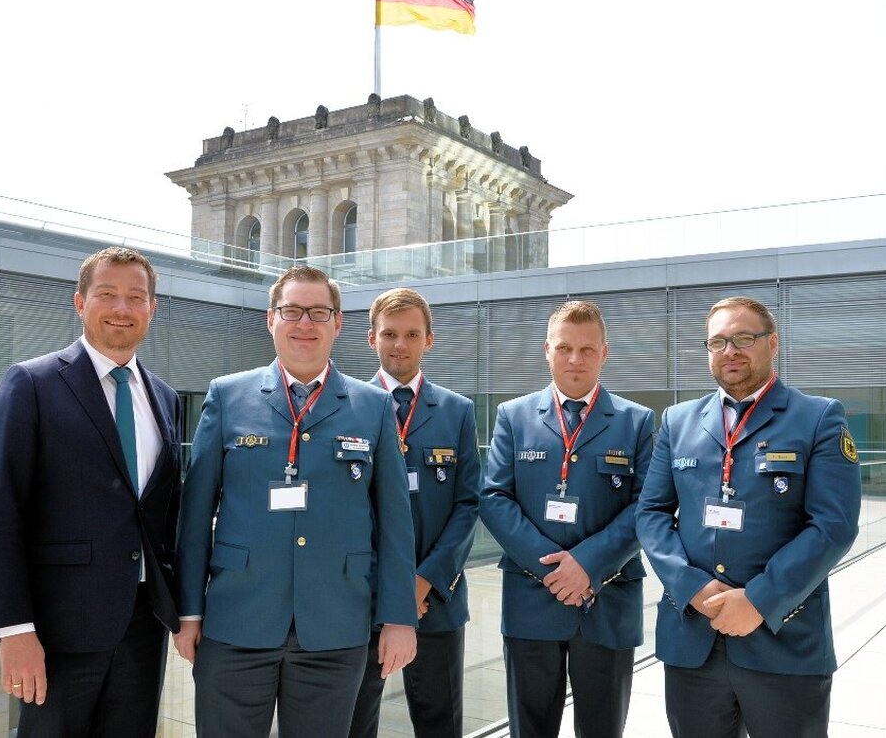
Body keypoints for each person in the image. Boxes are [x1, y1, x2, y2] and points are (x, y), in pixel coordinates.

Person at [174, 265, 418, 738]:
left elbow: (394, 524)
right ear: (271, 319)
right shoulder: (227, 396)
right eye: (291, 311)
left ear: (338, 323)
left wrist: (398, 618)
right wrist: (189, 613)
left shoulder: (373, 406)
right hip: (236, 622)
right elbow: (195, 511)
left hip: (335, 627)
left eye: (319, 312)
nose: (304, 323)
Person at [0, 246, 182, 737]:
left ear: (152, 308)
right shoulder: (31, 382)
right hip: (57, 629)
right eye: (107, 294)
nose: (122, 308)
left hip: (142, 624)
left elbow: (159, 513)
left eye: (137, 297)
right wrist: (15, 630)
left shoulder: (165, 397)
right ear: (79, 302)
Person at [635, 296, 862, 738]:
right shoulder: (678, 421)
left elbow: (833, 525)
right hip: (692, 640)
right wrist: (690, 585)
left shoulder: (818, 417)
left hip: (783, 641)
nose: (729, 351)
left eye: (743, 338)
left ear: (772, 343)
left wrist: (759, 599)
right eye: (717, 342)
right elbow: (652, 513)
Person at [479, 300, 655, 738]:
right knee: (530, 729)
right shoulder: (514, 417)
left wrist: (587, 566)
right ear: (547, 350)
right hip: (531, 601)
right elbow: (494, 497)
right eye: (564, 348)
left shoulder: (636, 422)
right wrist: (555, 570)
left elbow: (647, 505)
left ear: (604, 353)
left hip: (607, 601)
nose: (575, 359)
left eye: (587, 349)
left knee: (603, 727)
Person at [349, 288, 481, 738]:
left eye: (411, 334)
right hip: (361, 603)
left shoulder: (457, 411)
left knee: (439, 723)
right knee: (354, 721)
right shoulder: (345, 406)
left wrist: (422, 580)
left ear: (430, 340)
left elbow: (467, 505)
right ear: (371, 339)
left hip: (435, 600)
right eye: (389, 334)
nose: (399, 344)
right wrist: (389, 587)